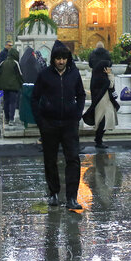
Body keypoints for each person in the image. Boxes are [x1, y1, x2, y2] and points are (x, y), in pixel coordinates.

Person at [31, 43, 86, 209]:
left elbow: (81, 95)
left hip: (69, 123)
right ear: (53, 59)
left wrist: (77, 114)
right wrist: (40, 121)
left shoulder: (74, 74)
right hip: (50, 123)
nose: (61, 62)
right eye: (58, 58)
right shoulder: (45, 75)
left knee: (73, 159)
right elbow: (34, 98)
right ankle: (54, 193)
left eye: (63, 58)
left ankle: (71, 197)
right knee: (50, 160)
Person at [84, 60, 118, 149]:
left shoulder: (97, 76)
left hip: (103, 101)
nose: (109, 69)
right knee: (102, 122)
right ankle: (98, 140)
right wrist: (110, 75)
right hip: (103, 101)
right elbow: (110, 85)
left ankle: (99, 140)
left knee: (103, 121)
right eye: (108, 67)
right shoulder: (103, 77)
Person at [0, 48, 24, 127]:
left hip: (4, 86)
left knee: (6, 101)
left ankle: (7, 118)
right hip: (13, 87)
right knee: (12, 102)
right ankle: (11, 119)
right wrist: (22, 84)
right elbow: (20, 74)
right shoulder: (15, 63)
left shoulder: (3, 63)